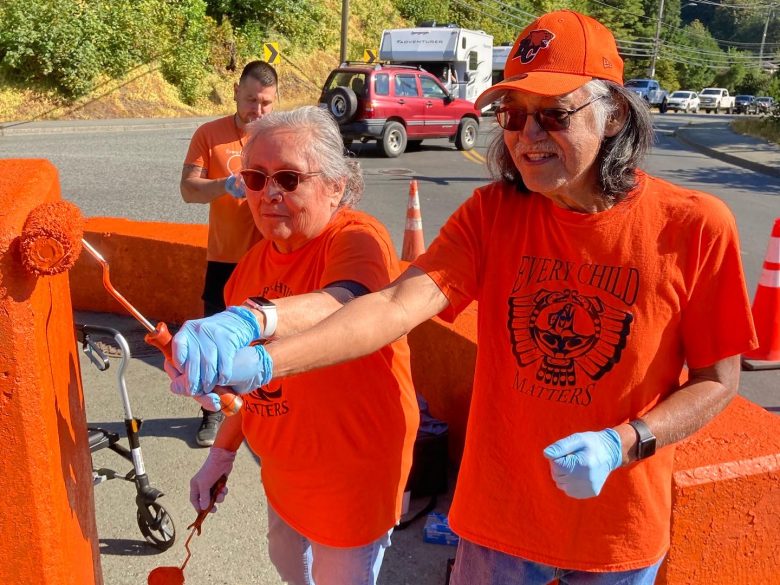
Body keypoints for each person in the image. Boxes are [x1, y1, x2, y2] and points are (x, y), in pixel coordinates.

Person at [170, 10, 758, 585]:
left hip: (620, 529)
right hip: (497, 520)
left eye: (552, 114)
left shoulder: (695, 226)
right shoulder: (493, 215)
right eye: (513, 114)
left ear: (611, 116)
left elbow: (716, 380)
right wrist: (261, 347)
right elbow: (394, 306)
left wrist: (625, 443)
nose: (528, 136)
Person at [168, 106, 419, 585]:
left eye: (288, 177)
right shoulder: (249, 269)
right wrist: (221, 453)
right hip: (283, 475)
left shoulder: (357, 238)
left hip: (352, 480)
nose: (269, 194)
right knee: (287, 564)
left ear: (336, 186)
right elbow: (254, 388)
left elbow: (348, 300)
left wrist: (254, 318)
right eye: (256, 179)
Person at [180, 60, 278, 446]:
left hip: (271, 257)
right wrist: (223, 185)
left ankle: (264, 412)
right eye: (252, 99)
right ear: (236, 91)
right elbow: (188, 189)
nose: (258, 111)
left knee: (269, 340)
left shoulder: (278, 135)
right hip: (225, 258)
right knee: (215, 341)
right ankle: (211, 412)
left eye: (267, 103)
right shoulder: (210, 134)